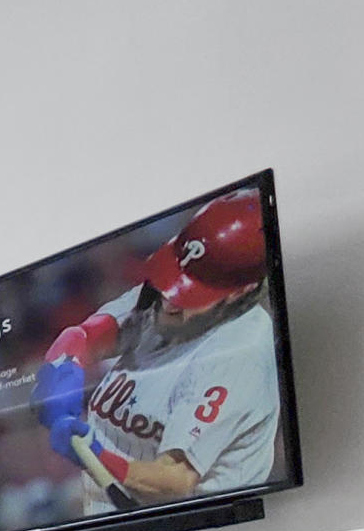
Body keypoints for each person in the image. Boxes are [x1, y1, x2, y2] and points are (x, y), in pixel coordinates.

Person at [29, 188, 281, 508]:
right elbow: (84, 336)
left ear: (238, 293)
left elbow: (176, 481)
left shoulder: (237, 353)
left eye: (190, 295)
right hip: (113, 523)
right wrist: (62, 368)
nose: (169, 302)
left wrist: (96, 455)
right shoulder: (167, 300)